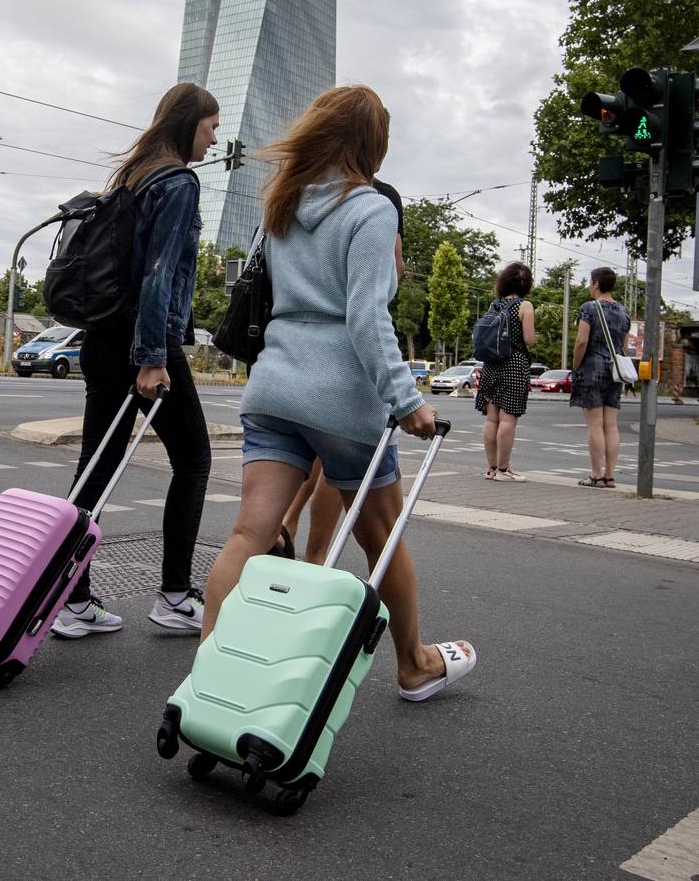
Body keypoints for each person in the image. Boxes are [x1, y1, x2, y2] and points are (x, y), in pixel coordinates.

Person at [201, 85, 477, 702]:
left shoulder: (283, 203)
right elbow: (366, 317)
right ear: (371, 143)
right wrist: (409, 402)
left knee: (249, 535)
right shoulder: (372, 209)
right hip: (342, 401)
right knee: (383, 538)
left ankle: (209, 668)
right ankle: (415, 662)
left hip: (273, 386)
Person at [51, 82, 218, 638]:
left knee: (94, 470)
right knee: (193, 460)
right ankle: (174, 597)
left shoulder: (131, 176)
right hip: (142, 344)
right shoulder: (177, 182)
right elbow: (158, 274)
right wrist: (153, 357)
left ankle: (70, 603)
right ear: (189, 123)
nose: (215, 138)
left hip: (100, 337)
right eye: (211, 126)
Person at [277, 177, 405, 564]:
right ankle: (316, 560)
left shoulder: (296, 191)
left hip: (287, 355)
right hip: (346, 361)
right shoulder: (380, 199)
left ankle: (285, 524)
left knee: (307, 460)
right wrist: (407, 399)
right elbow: (381, 288)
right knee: (380, 527)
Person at [570, 266, 631, 488]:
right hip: (615, 372)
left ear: (596, 283)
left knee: (595, 425)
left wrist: (576, 366)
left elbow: (581, 341)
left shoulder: (589, 308)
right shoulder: (624, 312)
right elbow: (623, 347)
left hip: (592, 368)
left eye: (590, 281)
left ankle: (595, 474)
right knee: (611, 425)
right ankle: (609, 475)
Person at [475, 262, 536, 482]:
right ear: (526, 284)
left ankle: (491, 468)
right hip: (514, 364)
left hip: (491, 365)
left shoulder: (495, 305)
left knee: (492, 420)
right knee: (508, 420)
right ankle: (503, 468)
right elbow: (528, 340)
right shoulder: (524, 306)